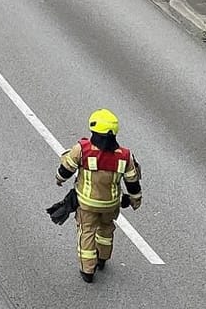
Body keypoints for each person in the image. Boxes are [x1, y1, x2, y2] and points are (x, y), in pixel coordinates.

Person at [56, 109, 143, 283]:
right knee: (106, 229)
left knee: (86, 232)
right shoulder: (125, 156)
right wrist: (135, 200)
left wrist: (59, 179)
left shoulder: (82, 150)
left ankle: (88, 270)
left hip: (87, 204)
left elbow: (66, 170)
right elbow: (133, 182)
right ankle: (102, 258)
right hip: (111, 204)